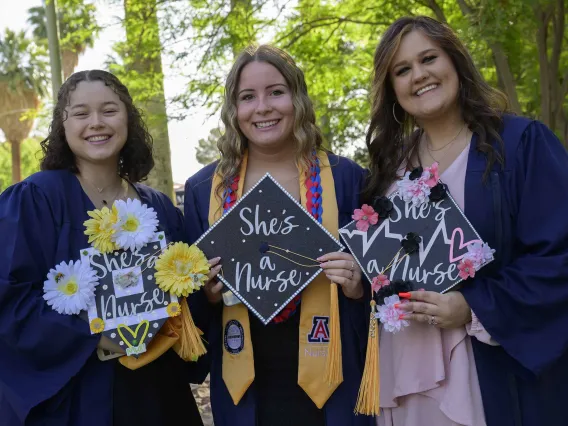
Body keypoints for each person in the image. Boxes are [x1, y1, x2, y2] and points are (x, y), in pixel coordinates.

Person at [362, 15, 568, 426]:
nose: (418, 75)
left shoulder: (518, 145)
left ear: (454, 60)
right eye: (402, 70)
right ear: (392, 90)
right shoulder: (387, 172)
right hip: (403, 371)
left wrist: (473, 307)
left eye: (428, 58)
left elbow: (559, 255)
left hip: (488, 373)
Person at [0, 70, 211, 426]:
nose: (96, 123)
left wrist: (204, 296)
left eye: (109, 110)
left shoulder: (159, 208)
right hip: (78, 396)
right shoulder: (36, 200)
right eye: (81, 113)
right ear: (62, 126)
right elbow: (8, 299)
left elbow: (187, 300)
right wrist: (94, 335)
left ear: (128, 118)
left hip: (157, 394)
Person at [184, 45, 374, 426]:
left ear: (297, 99)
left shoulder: (347, 179)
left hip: (335, 378)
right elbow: (190, 304)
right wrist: (204, 293)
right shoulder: (205, 189)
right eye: (247, 97)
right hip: (247, 383)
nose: (263, 107)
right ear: (233, 110)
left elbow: (381, 285)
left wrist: (359, 286)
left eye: (276, 91)